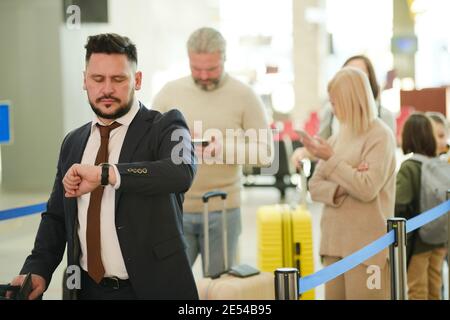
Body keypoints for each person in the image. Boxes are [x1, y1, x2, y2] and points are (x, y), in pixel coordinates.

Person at [8, 33, 198, 300]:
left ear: (138, 80)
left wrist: (106, 173)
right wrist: (37, 269)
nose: (107, 89)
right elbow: (57, 216)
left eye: (118, 79)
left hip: (151, 289)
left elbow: (181, 172)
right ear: (85, 80)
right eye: (98, 79)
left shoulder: (166, 126)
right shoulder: (73, 142)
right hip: (85, 290)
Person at [153, 27, 273, 276]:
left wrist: (223, 149)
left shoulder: (245, 96)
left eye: (212, 69)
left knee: (221, 290)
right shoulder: (169, 93)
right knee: (170, 286)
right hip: (176, 210)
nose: (204, 75)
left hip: (224, 211)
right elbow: (149, 147)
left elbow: (265, 154)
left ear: (224, 59)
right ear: (188, 60)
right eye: (197, 69)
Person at [304, 67, 396, 299]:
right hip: (334, 245)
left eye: (335, 103)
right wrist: (347, 181)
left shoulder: (380, 136)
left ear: (350, 100)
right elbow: (314, 187)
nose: (332, 109)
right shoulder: (338, 137)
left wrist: (332, 162)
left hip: (367, 249)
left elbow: (366, 188)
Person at [291, 55, 396, 169]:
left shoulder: (384, 117)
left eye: (359, 75)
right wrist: (303, 153)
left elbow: (384, 161)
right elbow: (322, 145)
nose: (352, 82)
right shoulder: (330, 111)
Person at [395, 113, 447, 300]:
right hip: (439, 237)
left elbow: (400, 203)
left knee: (417, 288)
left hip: (418, 241)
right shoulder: (437, 164)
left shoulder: (409, 167)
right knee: (435, 284)